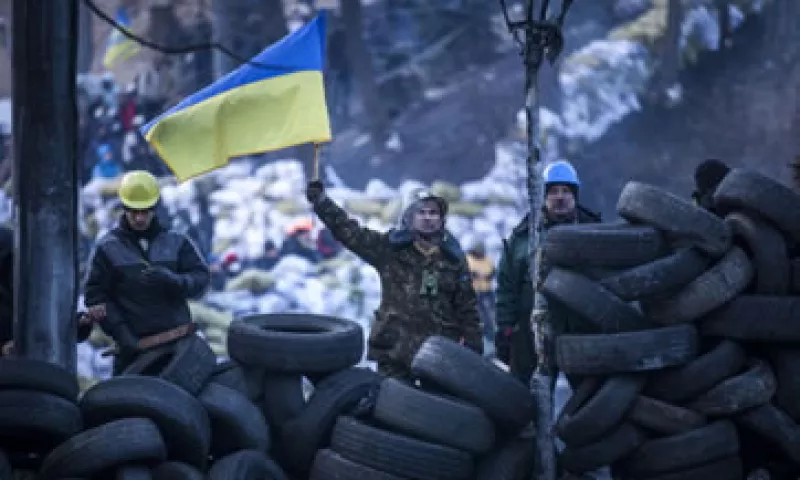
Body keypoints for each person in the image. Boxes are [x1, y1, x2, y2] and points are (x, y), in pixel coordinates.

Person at [307, 181, 483, 379]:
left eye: (433, 213)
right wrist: (322, 202)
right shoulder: (390, 249)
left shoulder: (453, 259)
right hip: (395, 355)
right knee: (389, 398)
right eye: (421, 212)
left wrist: (474, 352)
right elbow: (350, 232)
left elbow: (467, 308)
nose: (428, 217)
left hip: (439, 357)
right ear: (408, 217)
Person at [83, 170, 210, 374]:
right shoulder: (107, 248)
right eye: (133, 211)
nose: (139, 218)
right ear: (124, 208)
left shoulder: (177, 241)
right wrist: (122, 333)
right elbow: (95, 296)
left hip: (178, 347)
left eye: (145, 211)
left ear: (154, 208)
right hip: (133, 351)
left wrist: (174, 281)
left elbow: (201, 279)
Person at [495, 160, 601, 383]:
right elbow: (507, 286)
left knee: (592, 394)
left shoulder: (596, 232)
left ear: (575, 195)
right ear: (543, 197)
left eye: (565, 191)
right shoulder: (523, 236)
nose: (560, 197)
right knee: (527, 394)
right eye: (553, 191)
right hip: (531, 332)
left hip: (581, 328)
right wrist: (505, 329)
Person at [465, 240, 497, 357]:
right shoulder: (468, 259)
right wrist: (474, 274)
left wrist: (488, 275)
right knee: (479, 316)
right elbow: (466, 272)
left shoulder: (487, 260)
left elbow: (493, 271)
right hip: (475, 292)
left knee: (490, 316)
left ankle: (491, 341)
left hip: (487, 291)